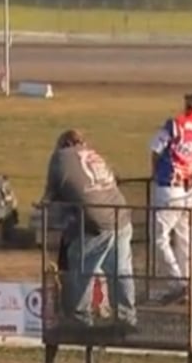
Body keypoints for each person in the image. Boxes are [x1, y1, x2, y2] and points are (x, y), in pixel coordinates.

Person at [43, 129, 136, 329]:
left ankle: (80, 319)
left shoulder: (60, 157)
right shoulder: (93, 154)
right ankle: (126, 318)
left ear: (63, 144)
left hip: (96, 222)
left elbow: (50, 196)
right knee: (121, 270)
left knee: (80, 267)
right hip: (121, 217)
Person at [147, 91, 192, 304]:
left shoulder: (176, 123)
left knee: (158, 238)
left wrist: (155, 172)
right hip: (190, 191)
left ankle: (179, 284)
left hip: (169, 188)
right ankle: (187, 285)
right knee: (185, 241)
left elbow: (155, 149)